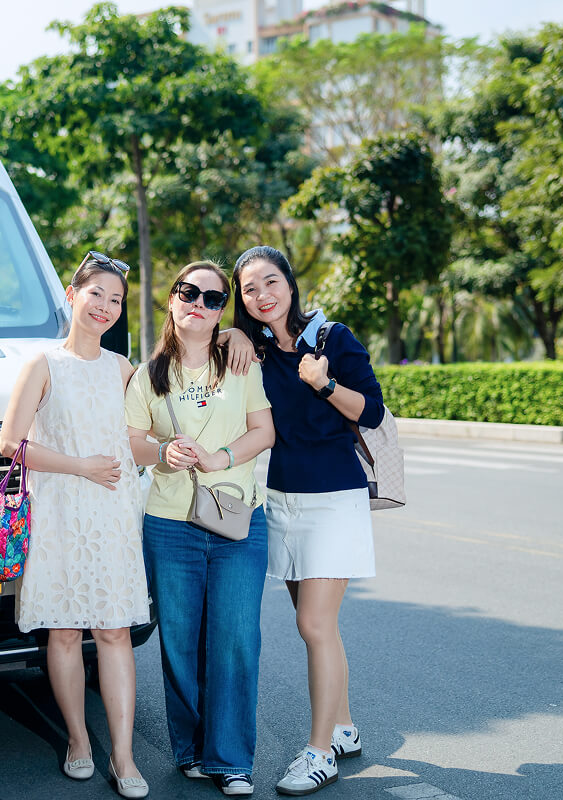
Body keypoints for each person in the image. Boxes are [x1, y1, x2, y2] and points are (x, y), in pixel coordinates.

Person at [227, 245, 384, 797]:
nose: (263, 295)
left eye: (271, 282)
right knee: (320, 624)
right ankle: (343, 727)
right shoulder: (257, 351)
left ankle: (320, 754)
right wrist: (237, 335)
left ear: (291, 284)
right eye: (249, 289)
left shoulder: (333, 338)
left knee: (313, 626)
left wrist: (322, 383)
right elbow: (208, 345)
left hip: (334, 499)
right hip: (283, 500)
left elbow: (372, 410)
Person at [0, 251, 151, 800]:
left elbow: (134, 440)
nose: (105, 308)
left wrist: (168, 451)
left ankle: (127, 757)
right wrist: (79, 464)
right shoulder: (41, 365)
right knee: (64, 631)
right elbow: (10, 443)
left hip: (112, 517)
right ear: (72, 294)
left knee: (113, 632)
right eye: (97, 296)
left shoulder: (123, 369)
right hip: (61, 511)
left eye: (116, 300)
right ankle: (80, 742)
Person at [124, 261, 275, 797]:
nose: (200, 303)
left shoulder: (240, 362)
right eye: (190, 292)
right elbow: (131, 439)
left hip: (238, 519)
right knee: (180, 644)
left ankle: (231, 760)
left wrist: (222, 456)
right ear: (172, 299)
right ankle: (189, 750)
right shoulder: (149, 375)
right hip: (169, 524)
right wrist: (163, 450)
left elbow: (265, 429)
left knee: (236, 640)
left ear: (221, 314)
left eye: (214, 299)